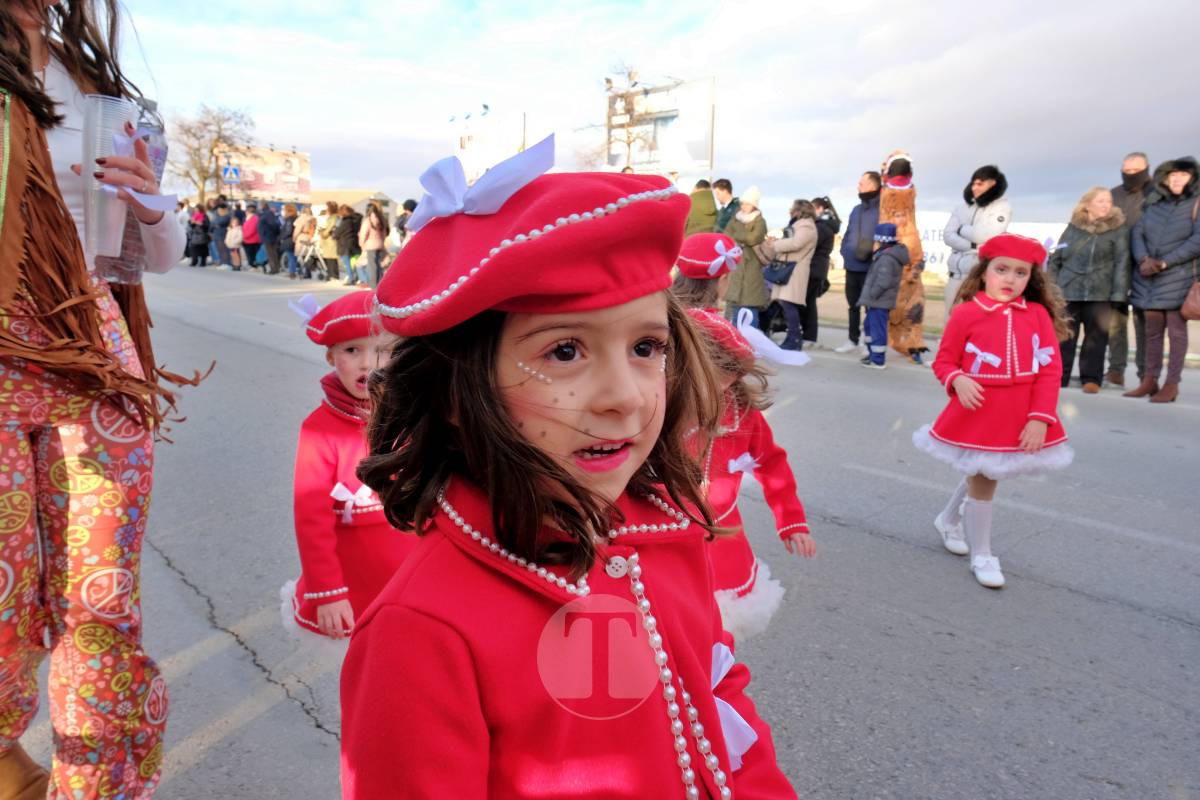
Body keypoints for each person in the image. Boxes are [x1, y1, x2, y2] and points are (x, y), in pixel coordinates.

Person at [340, 147, 798, 798]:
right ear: (456, 392)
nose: (627, 396)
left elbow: (717, 694)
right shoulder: (421, 631)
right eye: (564, 350)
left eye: (646, 347)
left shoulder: (665, 529)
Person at [0, 1, 202, 795]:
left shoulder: (93, 86)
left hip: (90, 350)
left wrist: (150, 201)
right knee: (5, 587)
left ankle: (99, 788)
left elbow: (154, 256)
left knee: (101, 599)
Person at [913, 234, 1073, 589]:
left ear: (1031, 278)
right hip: (980, 411)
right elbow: (944, 360)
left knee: (985, 472)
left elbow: (1049, 370)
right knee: (984, 478)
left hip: (1020, 411)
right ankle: (982, 554)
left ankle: (949, 518)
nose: (1010, 279)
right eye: (1002, 269)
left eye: (1021, 273)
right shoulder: (967, 313)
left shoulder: (1037, 315)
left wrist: (1039, 417)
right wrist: (957, 379)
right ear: (984, 272)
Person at [281, 291, 417, 639]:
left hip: (415, 574)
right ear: (330, 356)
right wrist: (328, 592)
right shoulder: (318, 430)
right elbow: (311, 518)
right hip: (356, 581)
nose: (367, 363)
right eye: (351, 350)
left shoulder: (416, 418)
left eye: (381, 350)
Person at [684, 307, 815, 639]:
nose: (727, 381)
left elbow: (772, 464)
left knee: (719, 630)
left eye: (732, 372)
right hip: (666, 539)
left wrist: (791, 520)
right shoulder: (653, 411)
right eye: (719, 370)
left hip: (722, 542)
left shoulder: (741, 415)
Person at [1125, 157, 1200, 404]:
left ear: (1193, 178)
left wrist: (1165, 262)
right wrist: (1144, 259)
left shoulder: (1196, 203)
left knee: (1177, 334)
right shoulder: (1154, 204)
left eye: (1183, 175)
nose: (1177, 179)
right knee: (1152, 333)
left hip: (1179, 277)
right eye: (1173, 175)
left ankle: (1172, 384)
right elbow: (1138, 233)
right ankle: (1149, 380)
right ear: (1165, 179)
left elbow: (1197, 241)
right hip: (1148, 277)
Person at [1046, 188, 1129, 393]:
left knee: (1096, 338)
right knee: (1064, 336)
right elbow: (1056, 259)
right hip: (1069, 290)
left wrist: (1118, 294)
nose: (1106, 205)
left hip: (1100, 292)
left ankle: (1091, 379)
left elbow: (1122, 263)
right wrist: (1052, 288)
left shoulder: (1118, 230)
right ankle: (1059, 376)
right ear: (1087, 204)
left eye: (1108, 201)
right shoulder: (1073, 228)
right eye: (1100, 201)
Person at [1106, 152, 1152, 387]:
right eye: (1126, 170)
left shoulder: (1155, 193)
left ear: (1145, 169)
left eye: (1135, 171)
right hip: (1118, 264)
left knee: (1144, 321)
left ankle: (1146, 373)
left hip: (1147, 265)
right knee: (1116, 320)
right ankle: (1116, 369)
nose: (1129, 174)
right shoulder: (1113, 195)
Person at [942, 165, 1012, 317]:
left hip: (979, 278)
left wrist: (961, 229)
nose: (974, 187)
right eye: (973, 183)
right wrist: (971, 245)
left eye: (980, 183)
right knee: (950, 323)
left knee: (974, 322)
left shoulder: (1002, 207)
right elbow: (948, 235)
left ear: (992, 183)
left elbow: (985, 235)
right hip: (954, 276)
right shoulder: (961, 207)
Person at [880, 152, 928, 363]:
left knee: (908, 305)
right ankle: (908, 344)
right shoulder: (903, 196)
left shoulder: (892, 196)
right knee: (905, 305)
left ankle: (909, 344)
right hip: (903, 258)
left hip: (902, 259)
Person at [835, 172, 882, 354]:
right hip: (851, 266)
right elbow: (848, 233)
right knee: (852, 305)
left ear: (873, 185)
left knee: (870, 306)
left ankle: (867, 341)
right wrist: (844, 252)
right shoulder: (856, 210)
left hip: (871, 266)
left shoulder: (882, 209)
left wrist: (875, 255)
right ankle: (852, 339)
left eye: (861, 183)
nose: (858, 186)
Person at [762, 199, 817, 350]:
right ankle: (793, 338)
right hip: (790, 268)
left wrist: (775, 245)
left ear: (799, 211)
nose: (790, 211)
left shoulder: (806, 226)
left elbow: (796, 243)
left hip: (795, 269)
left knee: (788, 303)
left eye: (792, 208)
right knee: (784, 302)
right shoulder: (800, 225)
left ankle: (794, 338)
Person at [860, 223, 908, 370]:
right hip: (876, 301)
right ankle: (872, 354)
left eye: (876, 241)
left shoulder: (886, 258)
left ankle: (878, 360)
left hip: (879, 301)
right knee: (869, 328)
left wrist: (872, 295)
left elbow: (883, 281)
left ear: (881, 241)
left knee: (877, 330)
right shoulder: (884, 255)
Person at [722, 185, 769, 326]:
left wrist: (737, 236)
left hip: (752, 266)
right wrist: (743, 237)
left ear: (754, 204)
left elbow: (754, 238)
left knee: (750, 302)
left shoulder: (760, 221)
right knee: (734, 301)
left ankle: (750, 336)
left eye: (747, 203)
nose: (744, 206)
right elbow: (726, 236)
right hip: (736, 264)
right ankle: (735, 334)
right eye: (743, 203)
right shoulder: (735, 218)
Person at [804, 197, 841, 348]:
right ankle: (808, 336)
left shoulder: (822, 226)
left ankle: (809, 336)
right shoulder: (826, 225)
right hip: (817, 267)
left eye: (813, 208)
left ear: (819, 209)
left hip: (814, 268)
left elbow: (810, 243)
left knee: (808, 303)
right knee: (808, 302)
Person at [333, 204, 365, 286]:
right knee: (355, 263)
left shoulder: (346, 221)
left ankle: (351, 278)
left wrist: (334, 231)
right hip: (355, 245)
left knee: (347, 264)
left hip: (345, 245)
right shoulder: (357, 220)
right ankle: (357, 278)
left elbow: (336, 233)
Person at [358, 200, 388, 286]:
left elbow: (363, 234)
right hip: (379, 244)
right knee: (378, 265)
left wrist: (362, 244)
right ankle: (380, 283)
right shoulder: (380, 219)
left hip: (370, 246)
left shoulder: (368, 220)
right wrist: (382, 242)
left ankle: (373, 285)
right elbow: (384, 233)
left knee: (372, 267)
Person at [317, 200, 341, 281]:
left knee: (331, 258)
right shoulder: (333, 217)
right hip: (328, 241)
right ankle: (331, 274)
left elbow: (330, 228)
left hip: (330, 240)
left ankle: (333, 275)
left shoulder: (334, 217)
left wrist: (323, 233)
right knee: (329, 258)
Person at [258, 201, 282, 275]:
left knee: (271, 253)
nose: (259, 206)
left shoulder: (267, 213)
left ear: (263, 205)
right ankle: (275, 268)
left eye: (260, 205)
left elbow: (273, 224)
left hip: (269, 236)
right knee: (271, 253)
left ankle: (274, 268)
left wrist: (270, 233)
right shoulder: (266, 213)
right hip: (268, 236)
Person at [280, 203, 300, 279]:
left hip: (289, 241)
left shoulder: (289, 219)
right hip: (294, 240)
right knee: (293, 257)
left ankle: (292, 272)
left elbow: (288, 231)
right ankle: (293, 271)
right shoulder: (295, 218)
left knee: (291, 256)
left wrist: (282, 237)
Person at [242, 202, 262, 268]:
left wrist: (245, 236)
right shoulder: (246, 218)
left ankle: (254, 265)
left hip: (253, 240)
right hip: (247, 240)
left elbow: (252, 229)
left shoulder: (255, 218)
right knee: (249, 254)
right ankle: (251, 264)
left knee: (253, 254)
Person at [213, 201, 232, 266]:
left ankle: (227, 263)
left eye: (220, 209)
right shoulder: (217, 216)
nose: (219, 211)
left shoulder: (227, 216)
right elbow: (213, 224)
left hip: (223, 235)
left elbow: (220, 223)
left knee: (225, 250)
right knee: (219, 250)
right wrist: (216, 225)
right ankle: (222, 262)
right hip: (216, 235)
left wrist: (216, 224)